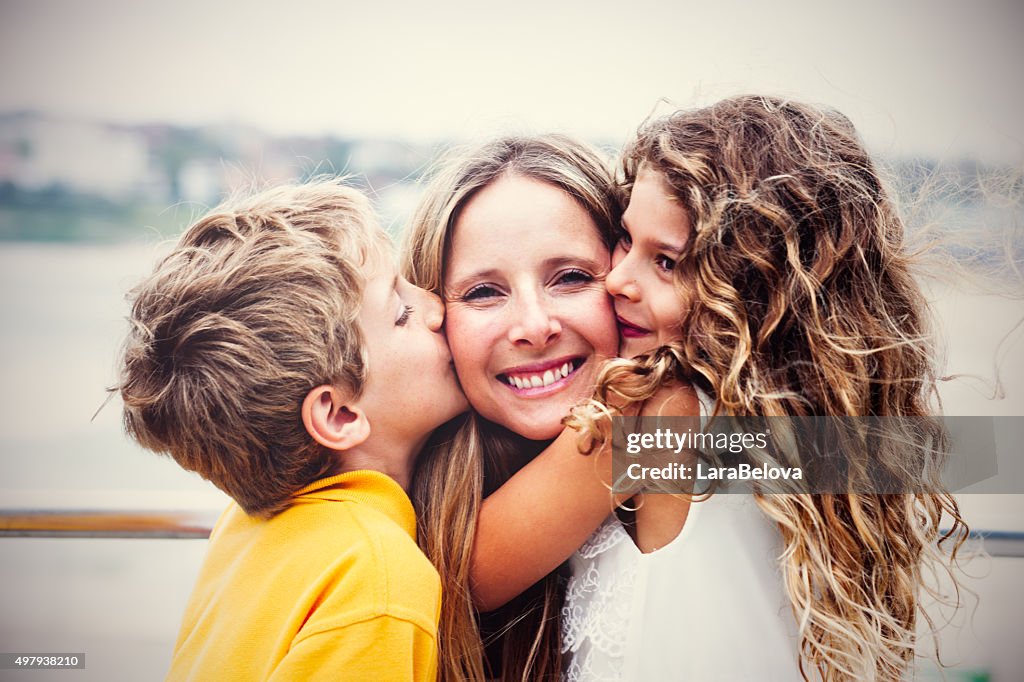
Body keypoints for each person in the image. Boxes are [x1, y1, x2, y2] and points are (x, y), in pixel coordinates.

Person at [562, 94, 969, 680]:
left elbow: (479, 570)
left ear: (756, 293)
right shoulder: (814, 442)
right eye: (628, 239)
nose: (618, 279)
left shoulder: (667, 415)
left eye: (669, 263)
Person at [116, 180, 466, 680]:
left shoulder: (243, 529)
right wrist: (624, 407)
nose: (436, 306)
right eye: (402, 313)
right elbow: (599, 470)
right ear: (339, 416)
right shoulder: (378, 578)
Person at [401, 134, 630, 680]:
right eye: (483, 292)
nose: (533, 326)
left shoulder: (693, 435)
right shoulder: (401, 500)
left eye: (572, 277)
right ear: (433, 315)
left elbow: (850, 457)